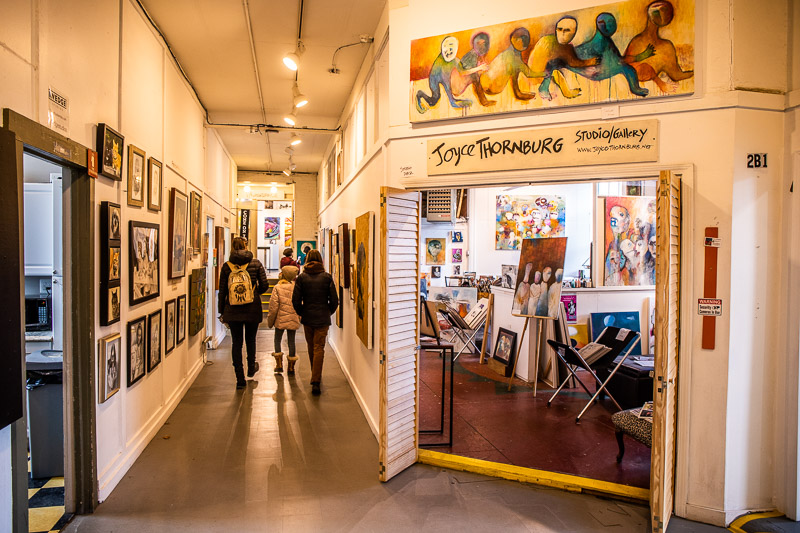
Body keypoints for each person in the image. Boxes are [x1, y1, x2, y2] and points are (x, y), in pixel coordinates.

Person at [218, 237, 269, 389]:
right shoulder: (256, 263)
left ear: (232, 247)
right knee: (251, 340)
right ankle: (251, 368)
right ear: (246, 246)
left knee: (237, 342)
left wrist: (222, 311)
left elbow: (222, 291)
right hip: (252, 308)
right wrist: (254, 293)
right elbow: (265, 285)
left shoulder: (227, 267)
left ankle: (240, 378)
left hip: (233, 309)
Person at [292, 249, 338, 395]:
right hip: (322, 317)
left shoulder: (302, 278)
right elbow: (335, 300)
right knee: (319, 347)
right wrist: (327, 311)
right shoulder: (327, 277)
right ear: (320, 259)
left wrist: (302, 312)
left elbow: (295, 300)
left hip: (308, 317)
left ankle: (315, 376)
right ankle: (316, 379)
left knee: (311, 346)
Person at [267, 265, 301, 374]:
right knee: (291, 341)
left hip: (280, 319)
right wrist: (298, 317)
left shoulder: (277, 287)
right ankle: (291, 367)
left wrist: (270, 321)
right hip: (292, 318)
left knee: (277, 339)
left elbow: (273, 307)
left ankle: (279, 365)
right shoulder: (295, 287)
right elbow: (300, 304)